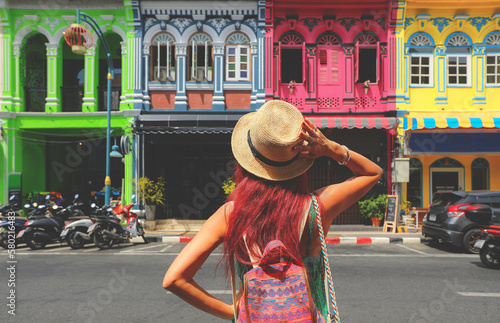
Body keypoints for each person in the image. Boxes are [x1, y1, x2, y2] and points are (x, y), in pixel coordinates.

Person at [163, 100, 383, 320]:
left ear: (247, 160)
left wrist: (232, 311)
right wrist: (330, 148)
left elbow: (174, 280)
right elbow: (372, 173)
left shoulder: (231, 214)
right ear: (299, 161)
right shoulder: (318, 206)